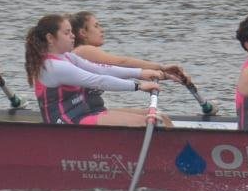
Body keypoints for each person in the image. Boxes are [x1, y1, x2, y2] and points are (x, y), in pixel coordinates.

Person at [24, 14, 162, 126]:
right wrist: (138, 86)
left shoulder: (68, 57)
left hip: (83, 114)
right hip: (66, 123)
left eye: (72, 31)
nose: (73, 36)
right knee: (144, 123)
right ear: (50, 38)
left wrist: (140, 73)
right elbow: (98, 81)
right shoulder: (53, 67)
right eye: (67, 33)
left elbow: (100, 70)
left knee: (160, 118)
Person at [69, 11, 191, 116]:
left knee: (157, 115)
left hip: (94, 110)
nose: (102, 30)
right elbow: (122, 63)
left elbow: (117, 71)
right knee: (155, 118)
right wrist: (161, 67)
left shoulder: (85, 53)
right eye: (96, 26)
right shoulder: (83, 50)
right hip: (87, 114)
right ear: (83, 33)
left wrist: (166, 75)